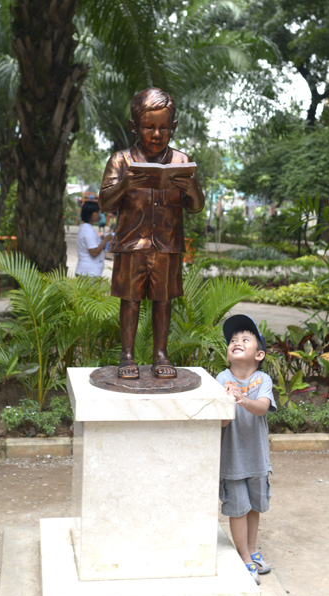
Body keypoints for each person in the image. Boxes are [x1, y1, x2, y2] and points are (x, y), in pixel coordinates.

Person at [99, 87, 205, 379]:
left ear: (174, 127)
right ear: (134, 127)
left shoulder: (182, 162)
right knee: (130, 301)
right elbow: (106, 202)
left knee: (163, 301)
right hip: (132, 243)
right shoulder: (121, 160)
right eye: (148, 127)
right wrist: (125, 185)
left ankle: (161, 353)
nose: (156, 134)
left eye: (164, 127)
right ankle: (127, 355)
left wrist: (192, 188)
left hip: (167, 245)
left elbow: (195, 207)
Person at [216, 314, 277, 585]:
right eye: (232, 340)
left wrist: (242, 398)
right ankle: (243, 557)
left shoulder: (262, 379)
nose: (236, 342)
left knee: (254, 507)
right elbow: (223, 421)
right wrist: (227, 402)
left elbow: (262, 407)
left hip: (257, 459)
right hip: (232, 460)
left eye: (244, 339)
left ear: (259, 354)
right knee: (238, 508)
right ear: (228, 354)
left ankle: (252, 550)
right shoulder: (221, 378)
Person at [74, 200, 113, 278]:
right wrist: (105, 240)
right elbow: (94, 252)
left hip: (86, 271)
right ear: (92, 214)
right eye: (98, 212)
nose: (99, 215)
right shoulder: (88, 231)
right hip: (89, 273)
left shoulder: (84, 228)